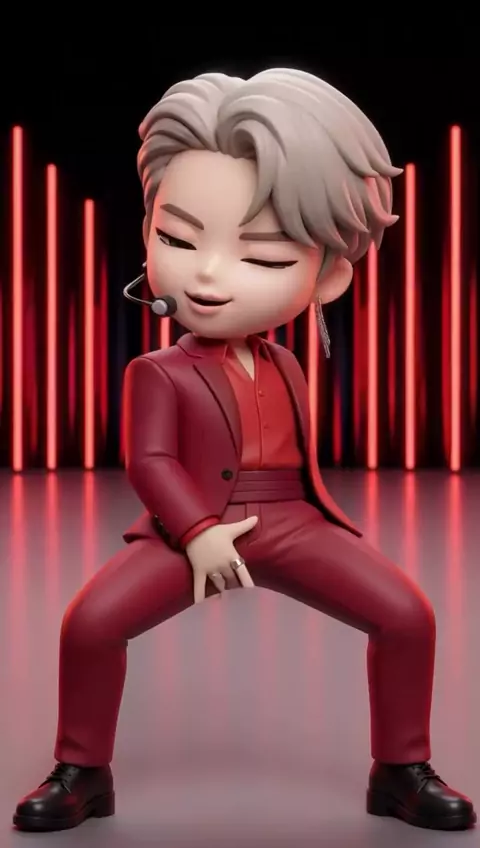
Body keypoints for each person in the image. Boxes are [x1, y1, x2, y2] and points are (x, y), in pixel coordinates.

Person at [13, 67, 476, 833]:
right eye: (176, 238)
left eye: (261, 258)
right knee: (90, 624)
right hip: (194, 526)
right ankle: (81, 772)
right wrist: (197, 533)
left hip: (292, 520)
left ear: (330, 276)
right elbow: (150, 462)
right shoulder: (156, 371)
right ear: (148, 232)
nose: (207, 275)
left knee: (407, 616)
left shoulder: (288, 362)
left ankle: (401, 770)